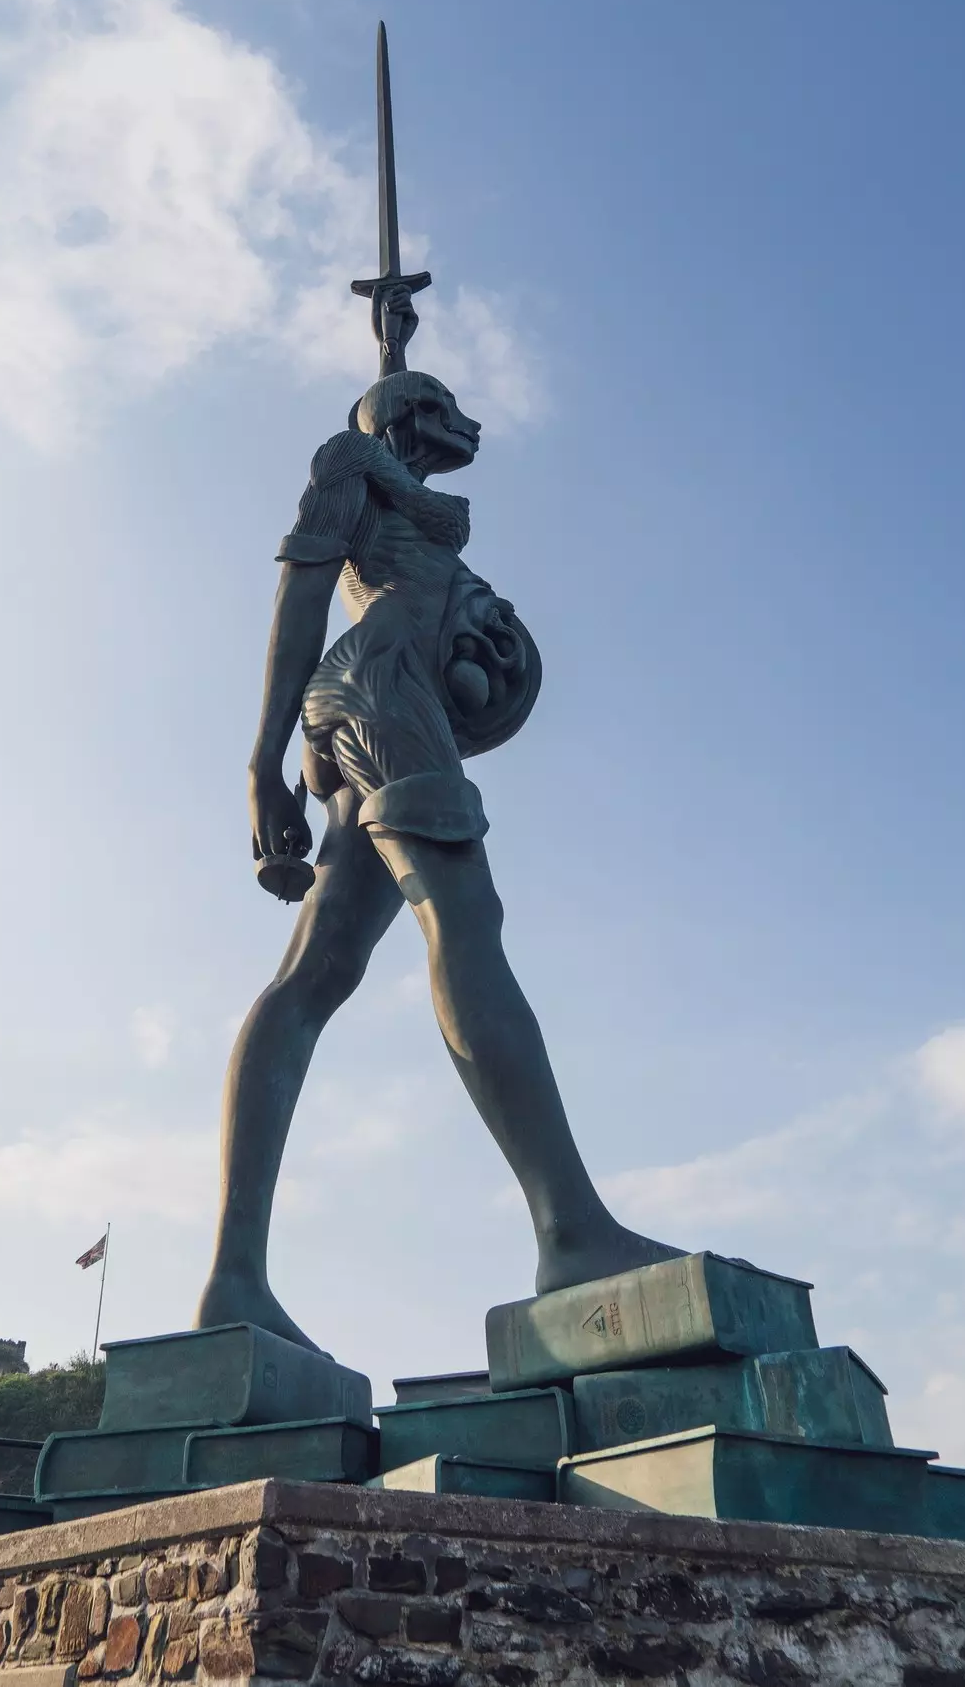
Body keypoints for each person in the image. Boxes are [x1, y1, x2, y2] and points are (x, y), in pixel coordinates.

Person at [195, 288, 678, 1351]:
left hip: (386, 702)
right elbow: (300, 597)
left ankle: (235, 1285)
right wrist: (259, 761)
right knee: (463, 916)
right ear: (408, 415)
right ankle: (570, 1228)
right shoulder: (349, 462)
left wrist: (394, 341)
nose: (464, 429)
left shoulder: (393, 480)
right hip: (379, 698)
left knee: (313, 972)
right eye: (442, 410)